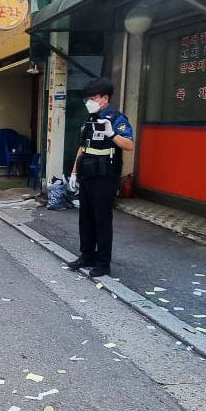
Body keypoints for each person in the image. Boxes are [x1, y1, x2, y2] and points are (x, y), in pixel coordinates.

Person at [66, 78, 134, 277]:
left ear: (105, 98)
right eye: (88, 98)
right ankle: (86, 255)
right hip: (87, 175)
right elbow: (83, 147)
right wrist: (74, 172)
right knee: (85, 218)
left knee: (102, 220)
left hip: (105, 178)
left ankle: (103, 263)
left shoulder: (116, 119)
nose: (90, 102)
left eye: (93, 98)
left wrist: (111, 134)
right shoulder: (90, 119)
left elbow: (129, 145)